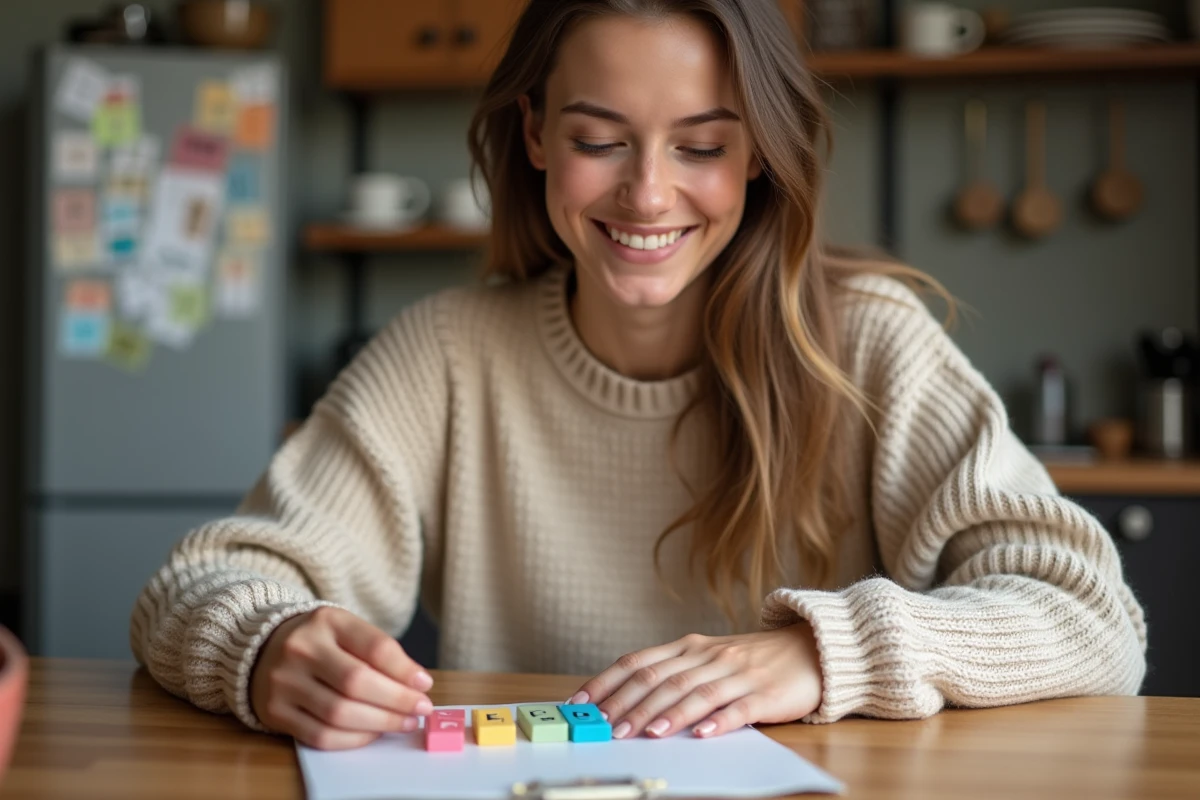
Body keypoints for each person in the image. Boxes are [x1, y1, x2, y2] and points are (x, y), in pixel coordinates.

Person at [130, 0, 1146, 751]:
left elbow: (1095, 620)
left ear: (758, 155)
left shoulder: (871, 345)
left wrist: (818, 653)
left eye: (701, 145)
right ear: (534, 136)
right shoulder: (443, 354)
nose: (649, 192)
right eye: (598, 139)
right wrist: (266, 645)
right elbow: (194, 587)